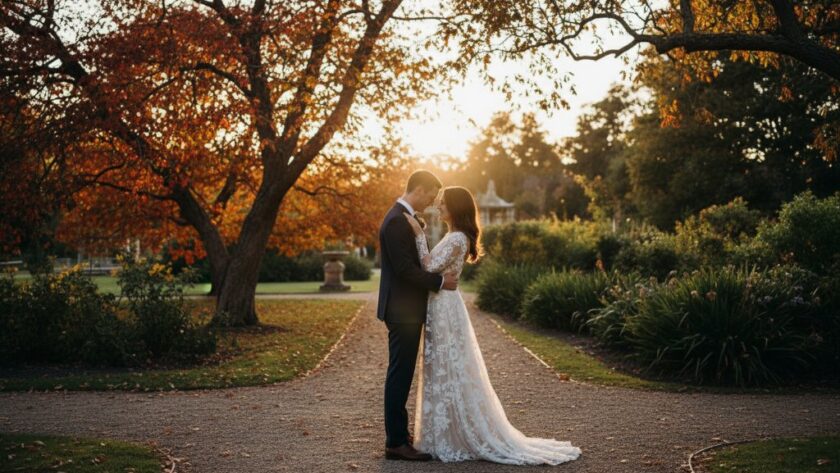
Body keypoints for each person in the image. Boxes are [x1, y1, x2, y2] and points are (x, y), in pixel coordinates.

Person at [403, 186, 582, 465]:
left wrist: (418, 235)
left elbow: (427, 266)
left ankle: (454, 434)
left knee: (449, 366)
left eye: (442, 203)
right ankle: (444, 433)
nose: (438, 207)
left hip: (445, 308)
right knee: (443, 367)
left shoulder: (457, 237)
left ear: (455, 207)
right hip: (442, 305)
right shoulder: (455, 236)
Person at [377, 170, 459, 461]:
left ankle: (398, 436)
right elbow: (404, 270)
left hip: (405, 309)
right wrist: (439, 283)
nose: (432, 201)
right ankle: (396, 442)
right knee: (400, 374)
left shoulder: (403, 218)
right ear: (419, 190)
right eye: (431, 195)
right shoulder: (397, 220)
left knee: (402, 373)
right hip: (402, 310)